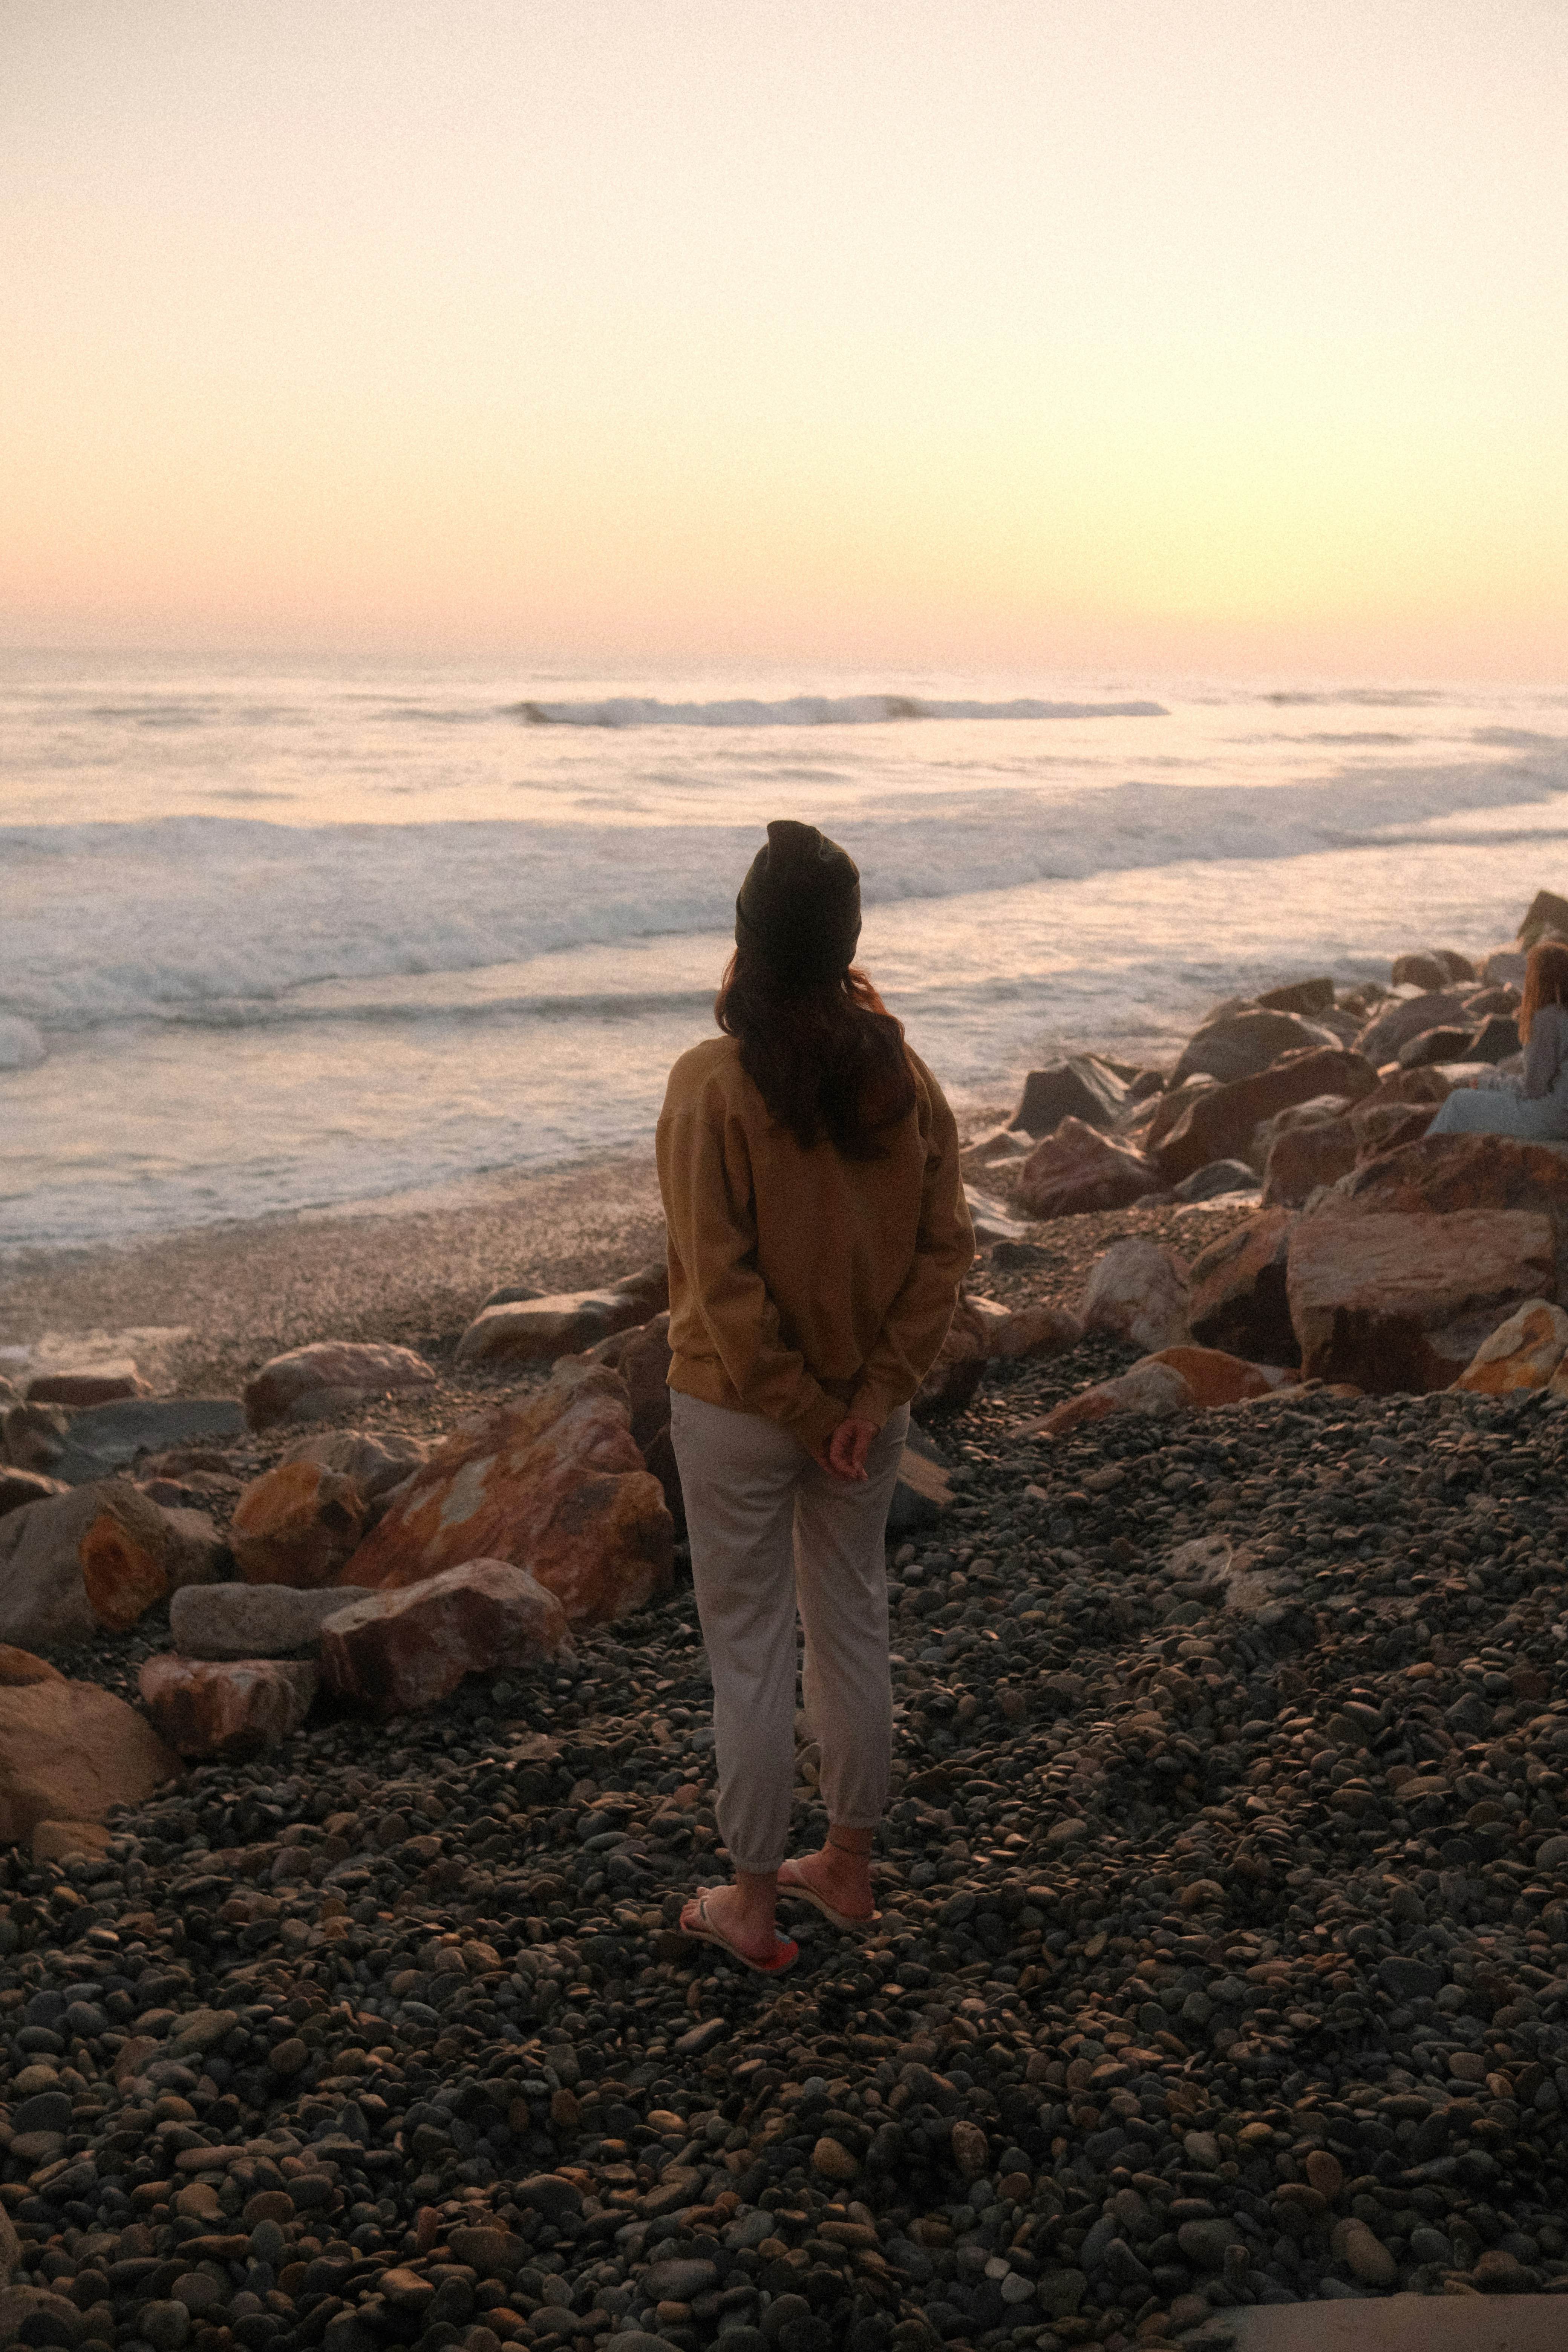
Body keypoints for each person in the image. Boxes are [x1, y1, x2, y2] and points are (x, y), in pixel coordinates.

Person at [655, 820, 974, 1972]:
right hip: (858, 1413)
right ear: (844, 945)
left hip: (740, 1412)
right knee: (852, 1623)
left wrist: (799, 1403)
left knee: (748, 1647)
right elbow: (947, 1249)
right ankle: (844, 1861)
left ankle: (751, 1900)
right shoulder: (903, 1076)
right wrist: (868, 1392)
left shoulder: (712, 1083)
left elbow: (720, 1281)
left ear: (747, 944)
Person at [1425, 940, 1568, 1142]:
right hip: (1561, 1114)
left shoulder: (1547, 1018)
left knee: (1459, 1102)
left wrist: (1487, 1084)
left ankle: (1421, 1159)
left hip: (1554, 1119)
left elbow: (1534, 1089)